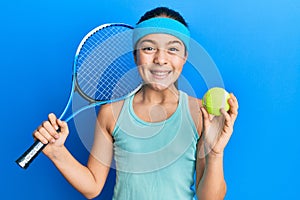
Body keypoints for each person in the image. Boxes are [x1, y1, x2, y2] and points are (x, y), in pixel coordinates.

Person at [33, 7, 239, 200]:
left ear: (184, 57)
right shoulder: (111, 113)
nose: (160, 59)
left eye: (173, 49)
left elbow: (209, 197)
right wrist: (57, 151)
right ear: (135, 56)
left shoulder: (199, 114)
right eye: (149, 48)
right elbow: (93, 185)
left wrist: (215, 153)